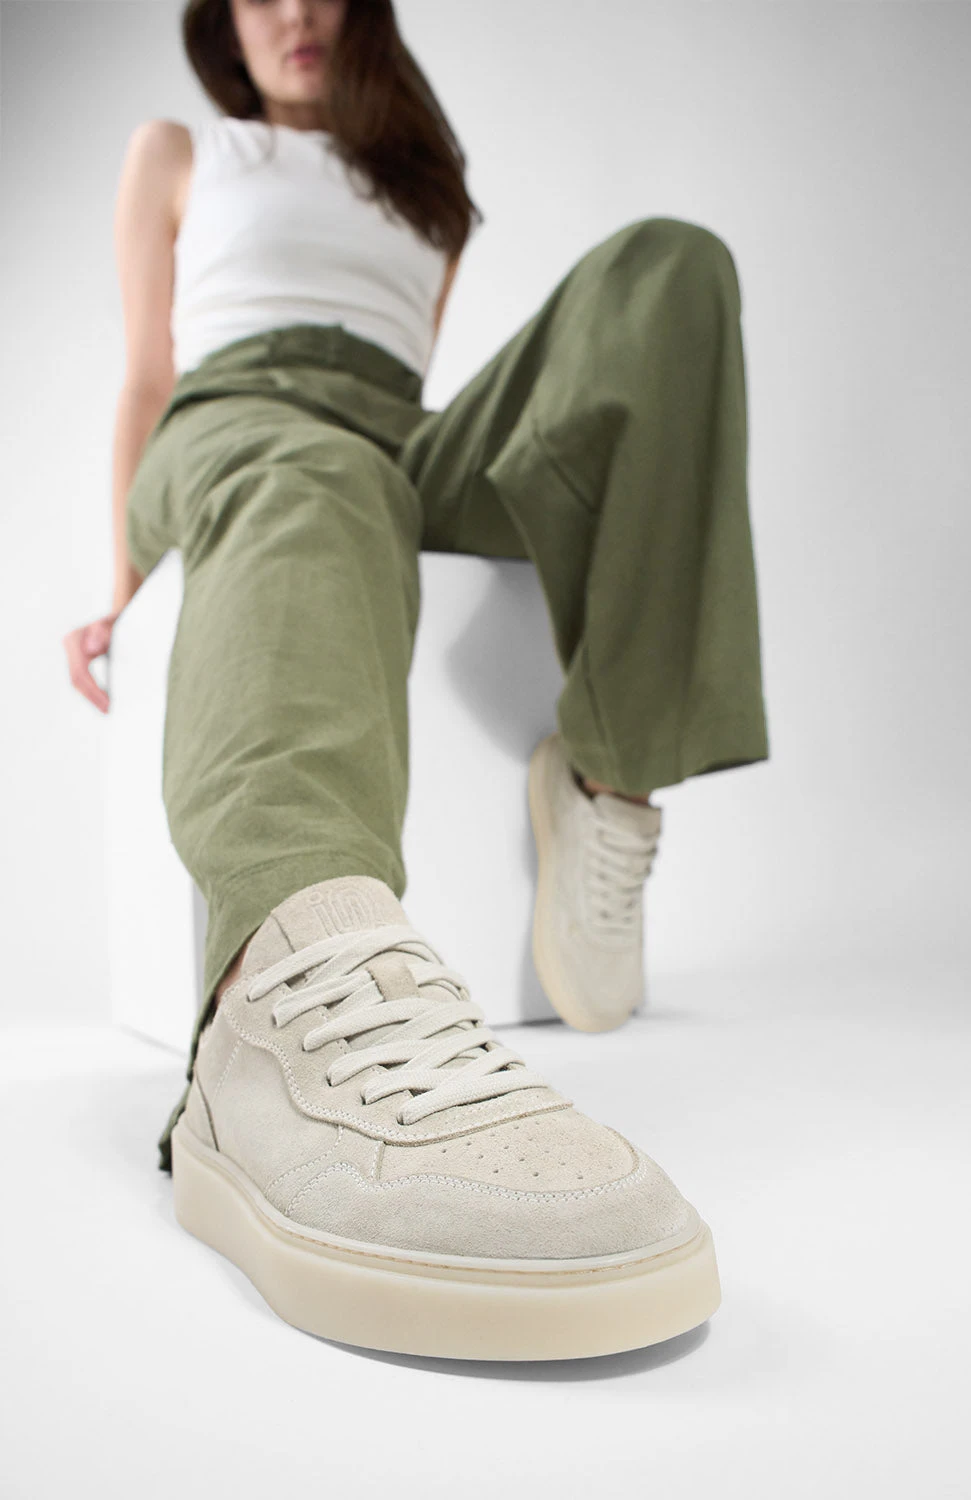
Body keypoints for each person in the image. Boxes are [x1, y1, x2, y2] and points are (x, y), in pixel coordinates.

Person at [63, 0, 769, 1361]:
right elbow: (148, 371)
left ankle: (612, 779)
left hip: (392, 441)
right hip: (234, 418)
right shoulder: (183, 151)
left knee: (669, 272)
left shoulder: (427, 192)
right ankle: (278, 982)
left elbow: (413, 390)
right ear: (221, 20)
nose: (295, 12)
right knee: (317, 469)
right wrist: (125, 585)